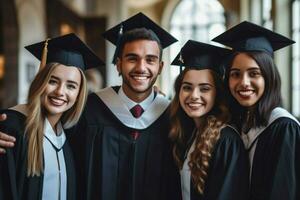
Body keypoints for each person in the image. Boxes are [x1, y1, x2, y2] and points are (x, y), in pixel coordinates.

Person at [0, 12, 180, 200]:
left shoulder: (174, 117)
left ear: (160, 67)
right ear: (118, 64)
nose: (141, 67)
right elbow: (41, 120)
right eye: (132, 58)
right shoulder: (89, 110)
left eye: (150, 59)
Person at [0, 33, 104, 200]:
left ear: (79, 94)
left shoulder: (69, 136)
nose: (60, 92)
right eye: (53, 81)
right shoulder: (12, 127)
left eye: (71, 86)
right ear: (40, 82)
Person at [213, 21, 300, 200]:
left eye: (254, 73)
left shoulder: (283, 128)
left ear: (269, 77)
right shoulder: (239, 123)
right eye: (235, 74)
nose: (244, 82)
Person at [169, 40, 249, 200]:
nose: (194, 95)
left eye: (204, 88)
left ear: (217, 94)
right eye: (187, 87)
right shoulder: (191, 133)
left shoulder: (226, 141)